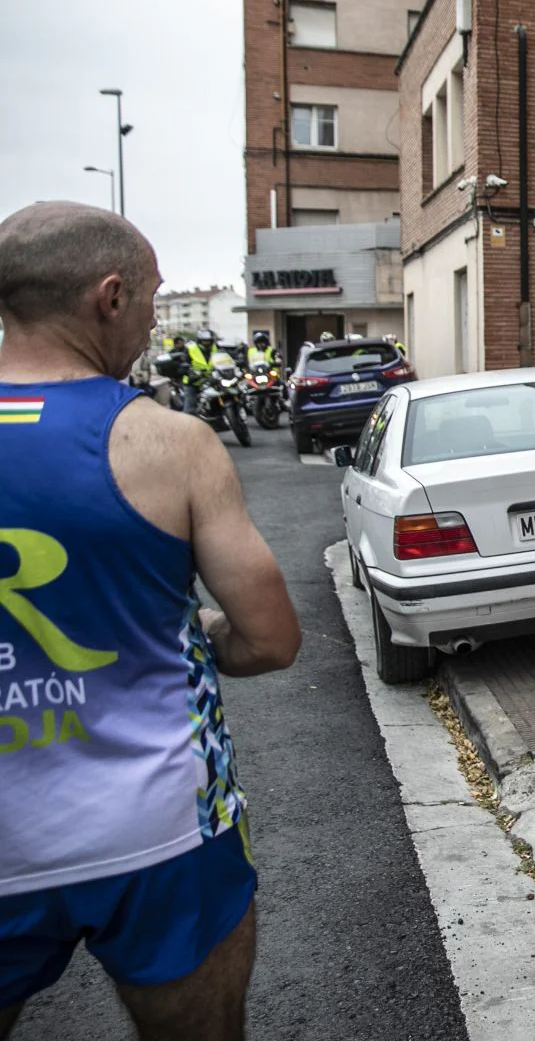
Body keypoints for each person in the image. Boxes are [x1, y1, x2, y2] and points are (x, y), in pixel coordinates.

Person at [0, 203, 301, 1039]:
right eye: (152, 297)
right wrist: (195, 631)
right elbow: (272, 639)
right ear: (109, 297)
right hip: (158, 830)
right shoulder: (168, 443)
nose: (155, 317)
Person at [181, 328, 220, 418]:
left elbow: (225, 356)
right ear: (199, 341)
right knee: (190, 406)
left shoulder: (216, 347)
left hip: (211, 378)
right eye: (204, 341)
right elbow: (184, 362)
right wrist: (188, 369)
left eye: (209, 341)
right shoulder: (190, 348)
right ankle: (187, 424)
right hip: (193, 380)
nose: (207, 343)